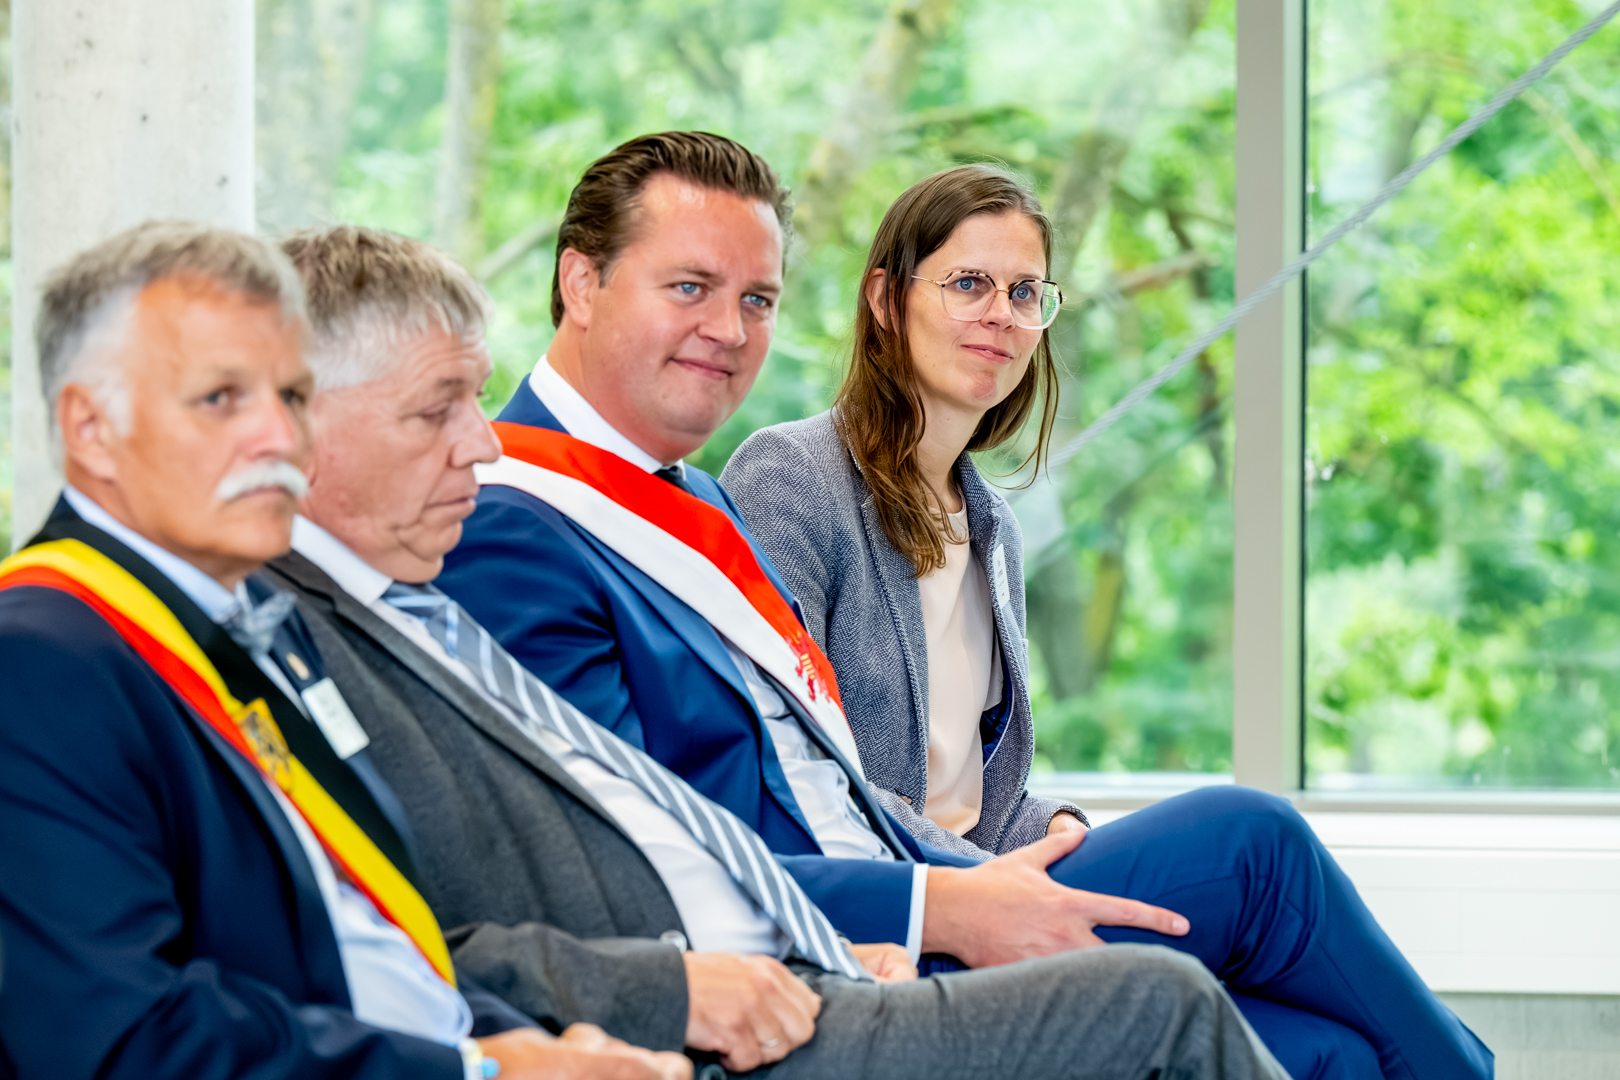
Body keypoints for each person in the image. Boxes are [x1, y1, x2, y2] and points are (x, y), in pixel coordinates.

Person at [435, 131, 1492, 1080]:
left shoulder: (701, 501)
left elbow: (870, 779)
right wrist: (950, 898)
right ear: (581, 282)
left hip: (905, 894)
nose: (730, 329)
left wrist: (1022, 849)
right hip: (835, 952)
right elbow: (626, 865)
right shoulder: (524, 518)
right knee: (1250, 841)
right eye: (689, 287)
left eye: (757, 300)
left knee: (1335, 1053)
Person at [262, 223, 1290, 1080]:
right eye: (690, 286)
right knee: (1199, 934)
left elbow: (703, 809)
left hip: (820, 930)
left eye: (759, 298)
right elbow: (411, 935)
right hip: (730, 992)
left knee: (1297, 1012)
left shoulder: (433, 598)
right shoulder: (470, 558)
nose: (480, 441)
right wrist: (694, 981)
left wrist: (843, 923)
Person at [0, 221, 689, 1080]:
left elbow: (379, 941)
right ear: (91, 428)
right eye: (221, 398)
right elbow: (116, 1041)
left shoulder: (247, 616)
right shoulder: (38, 659)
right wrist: (482, 1071)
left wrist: (538, 1048)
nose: (279, 439)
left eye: (291, 397)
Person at [723, 164, 1076, 860]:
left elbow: (973, 801)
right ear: (885, 300)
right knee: (1249, 835)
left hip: (979, 883)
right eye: (968, 284)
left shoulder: (994, 530)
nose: (1002, 314)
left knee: (1236, 855)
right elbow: (795, 769)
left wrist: (1058, 829)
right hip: (883, 898)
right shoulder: (789, 477)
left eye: (1024, 291)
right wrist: (990, 882)